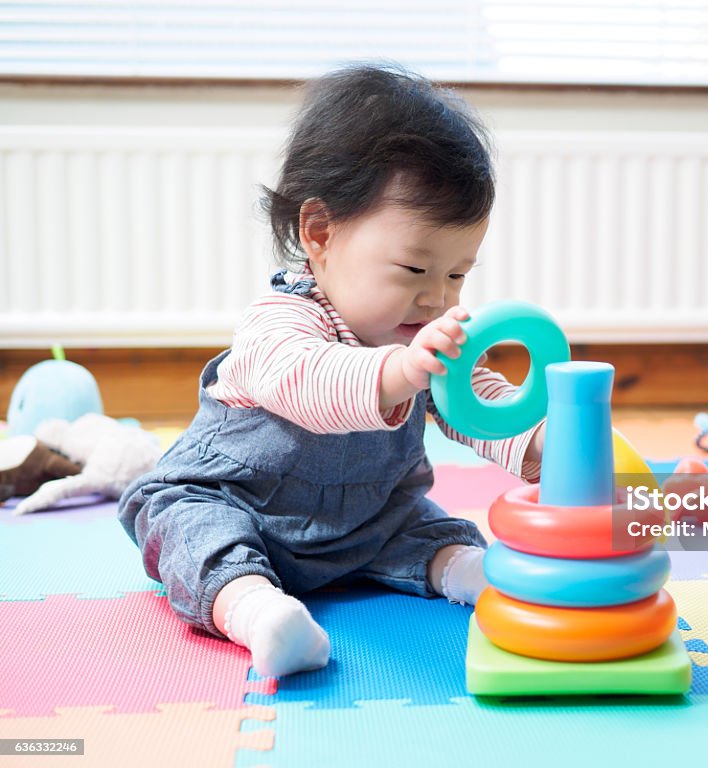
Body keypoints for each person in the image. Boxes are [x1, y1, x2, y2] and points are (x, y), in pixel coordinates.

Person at [118, 64, 545, 678]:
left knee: (431, 525)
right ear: (319, 232)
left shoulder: (421, 338)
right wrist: (399, 371)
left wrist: (538, 443)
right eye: (413, 270)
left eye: (456, 275)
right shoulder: (278, 324)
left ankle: (472, 575)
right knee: (188, 527)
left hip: (366, 521)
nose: (436, 300)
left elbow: (474, 398)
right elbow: (307, 379)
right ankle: (259, 612)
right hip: (241, 507)